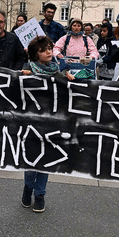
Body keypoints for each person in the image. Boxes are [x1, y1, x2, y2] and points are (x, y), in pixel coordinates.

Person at [21, 36, 74, 212]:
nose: (49, 52)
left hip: (51, 123)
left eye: (50, 48)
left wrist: (68, 78)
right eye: (44, 50)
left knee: (46, 159)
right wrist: (25, 76)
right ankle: (28, 187)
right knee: (31, 159)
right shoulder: (28, 68)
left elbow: (65, 88)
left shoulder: (56, 70)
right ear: (36, 54)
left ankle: (40, 194)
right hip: (32, 122)